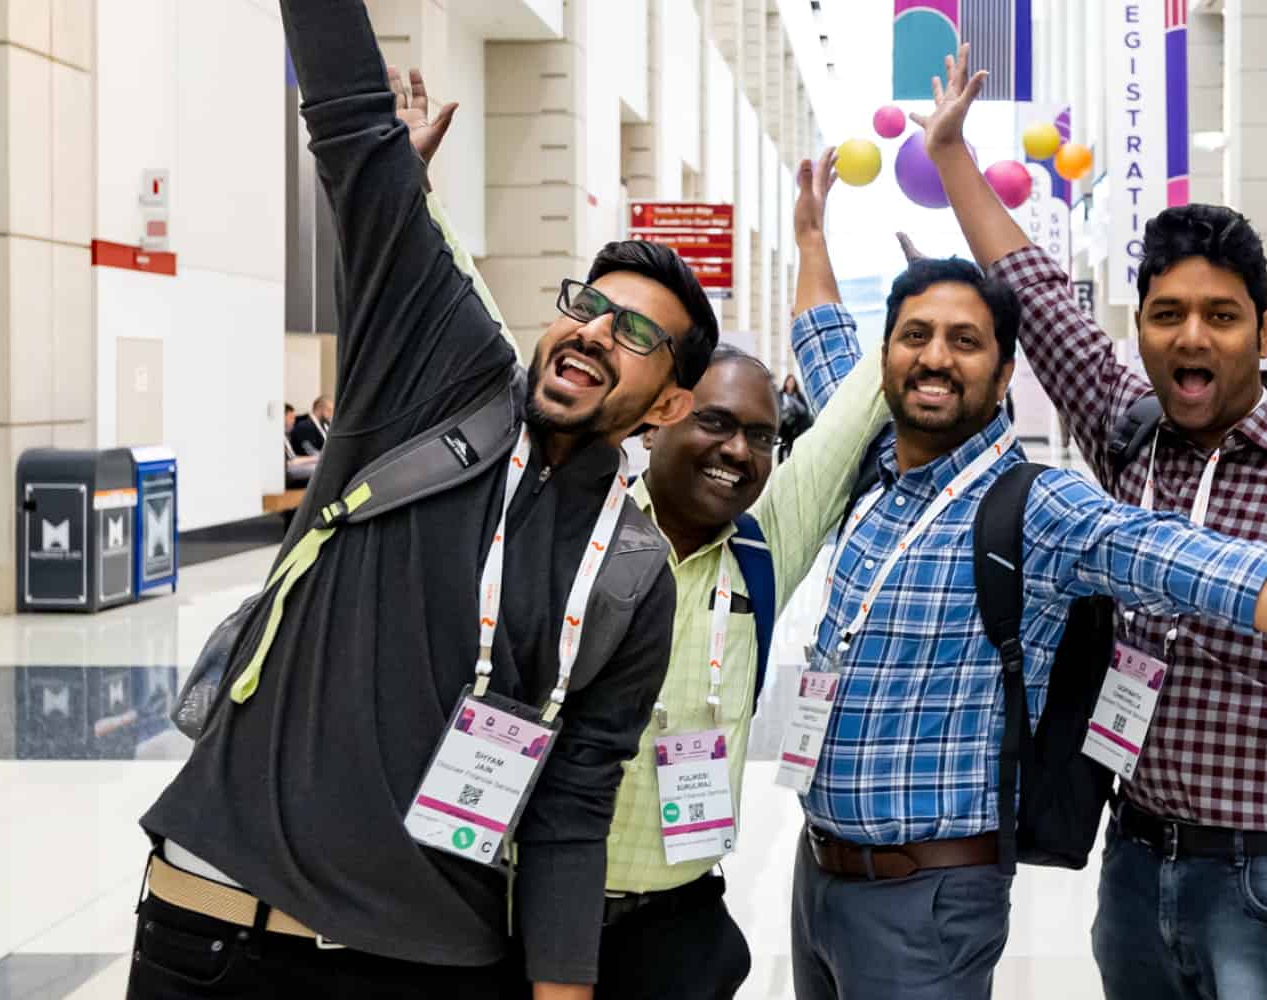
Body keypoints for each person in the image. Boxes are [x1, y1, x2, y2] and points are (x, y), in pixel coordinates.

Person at [788, 48, 1267, 1000]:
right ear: (1141, 330)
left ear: (1265, 329)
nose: (1192, 336)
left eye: (1221, 316)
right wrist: (952, 156)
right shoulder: (1128, 432)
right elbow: (1033, 295)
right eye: (1167, 314)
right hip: (1139, 855)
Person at [129, 3, 713, 997]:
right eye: (587, 305)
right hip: (216, 931)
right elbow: (354, 127)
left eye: (635, 334)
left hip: (429, 964)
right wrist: (397, 185)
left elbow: (572, 808)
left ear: (667, 404)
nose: (593, 332)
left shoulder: (628, 576)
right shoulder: (437, 380)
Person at [401, 78, 892, 998]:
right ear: (659, 415)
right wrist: (409, 193)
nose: (737, 451)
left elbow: (858, 404)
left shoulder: (761, 548)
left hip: (676, 929)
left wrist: (818, 245)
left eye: (760, 437)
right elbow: (483, 338)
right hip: (525, 910)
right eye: (715, 423)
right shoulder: (570, 522)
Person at [777, 372, 815, 458]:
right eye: (789, 382)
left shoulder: (798, 395)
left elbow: (805, 410)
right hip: (785, 425)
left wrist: (794, 404)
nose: (790, 384)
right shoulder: (780, 395)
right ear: (786, 383)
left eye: (792, 382)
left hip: (798, 423)